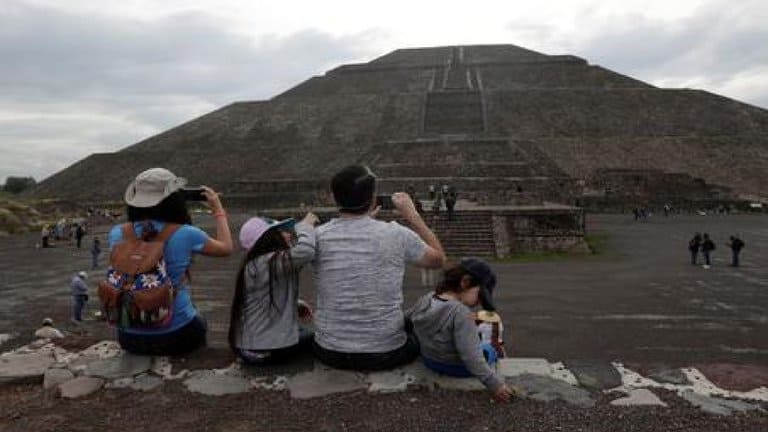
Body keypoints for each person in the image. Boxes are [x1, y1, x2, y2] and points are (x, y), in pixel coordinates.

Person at [312, 165, 445, 371]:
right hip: (384, 352)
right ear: (373, 198)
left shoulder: (317, 236)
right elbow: (438, 260)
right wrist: (413, 215)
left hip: (329, 351)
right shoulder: (396, 234)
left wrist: (364, 222)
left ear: (334, 198)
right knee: (426, 319)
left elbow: (350, 240)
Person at [106, 168, 233, 356]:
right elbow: (226, 248)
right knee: (198, 321)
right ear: (175, 199)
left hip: (128, 335)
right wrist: (218, 210)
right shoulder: (186, 233)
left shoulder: (117, 233)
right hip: (175, 333)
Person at [407, 260, 514, 402]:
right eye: (479, 294)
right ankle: (498, 353)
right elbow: (471, 357)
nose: (478, 303)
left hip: (430, 360)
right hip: (455, 367)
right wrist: (496, 385)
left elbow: (406, 318)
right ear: (465, 282)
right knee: (490, 348)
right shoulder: (461, 313)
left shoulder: (427, 299)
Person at [228, 213, 319, 365]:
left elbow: (264, 298)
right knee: (320, 337)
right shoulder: (270, 261)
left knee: (300, 331)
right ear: (268, 239)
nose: (288, 235)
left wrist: (296, 304)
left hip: (246, 348)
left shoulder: (255, 264)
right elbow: (306, 251)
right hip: (265, 352)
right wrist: (306, 226)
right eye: (280, 232)